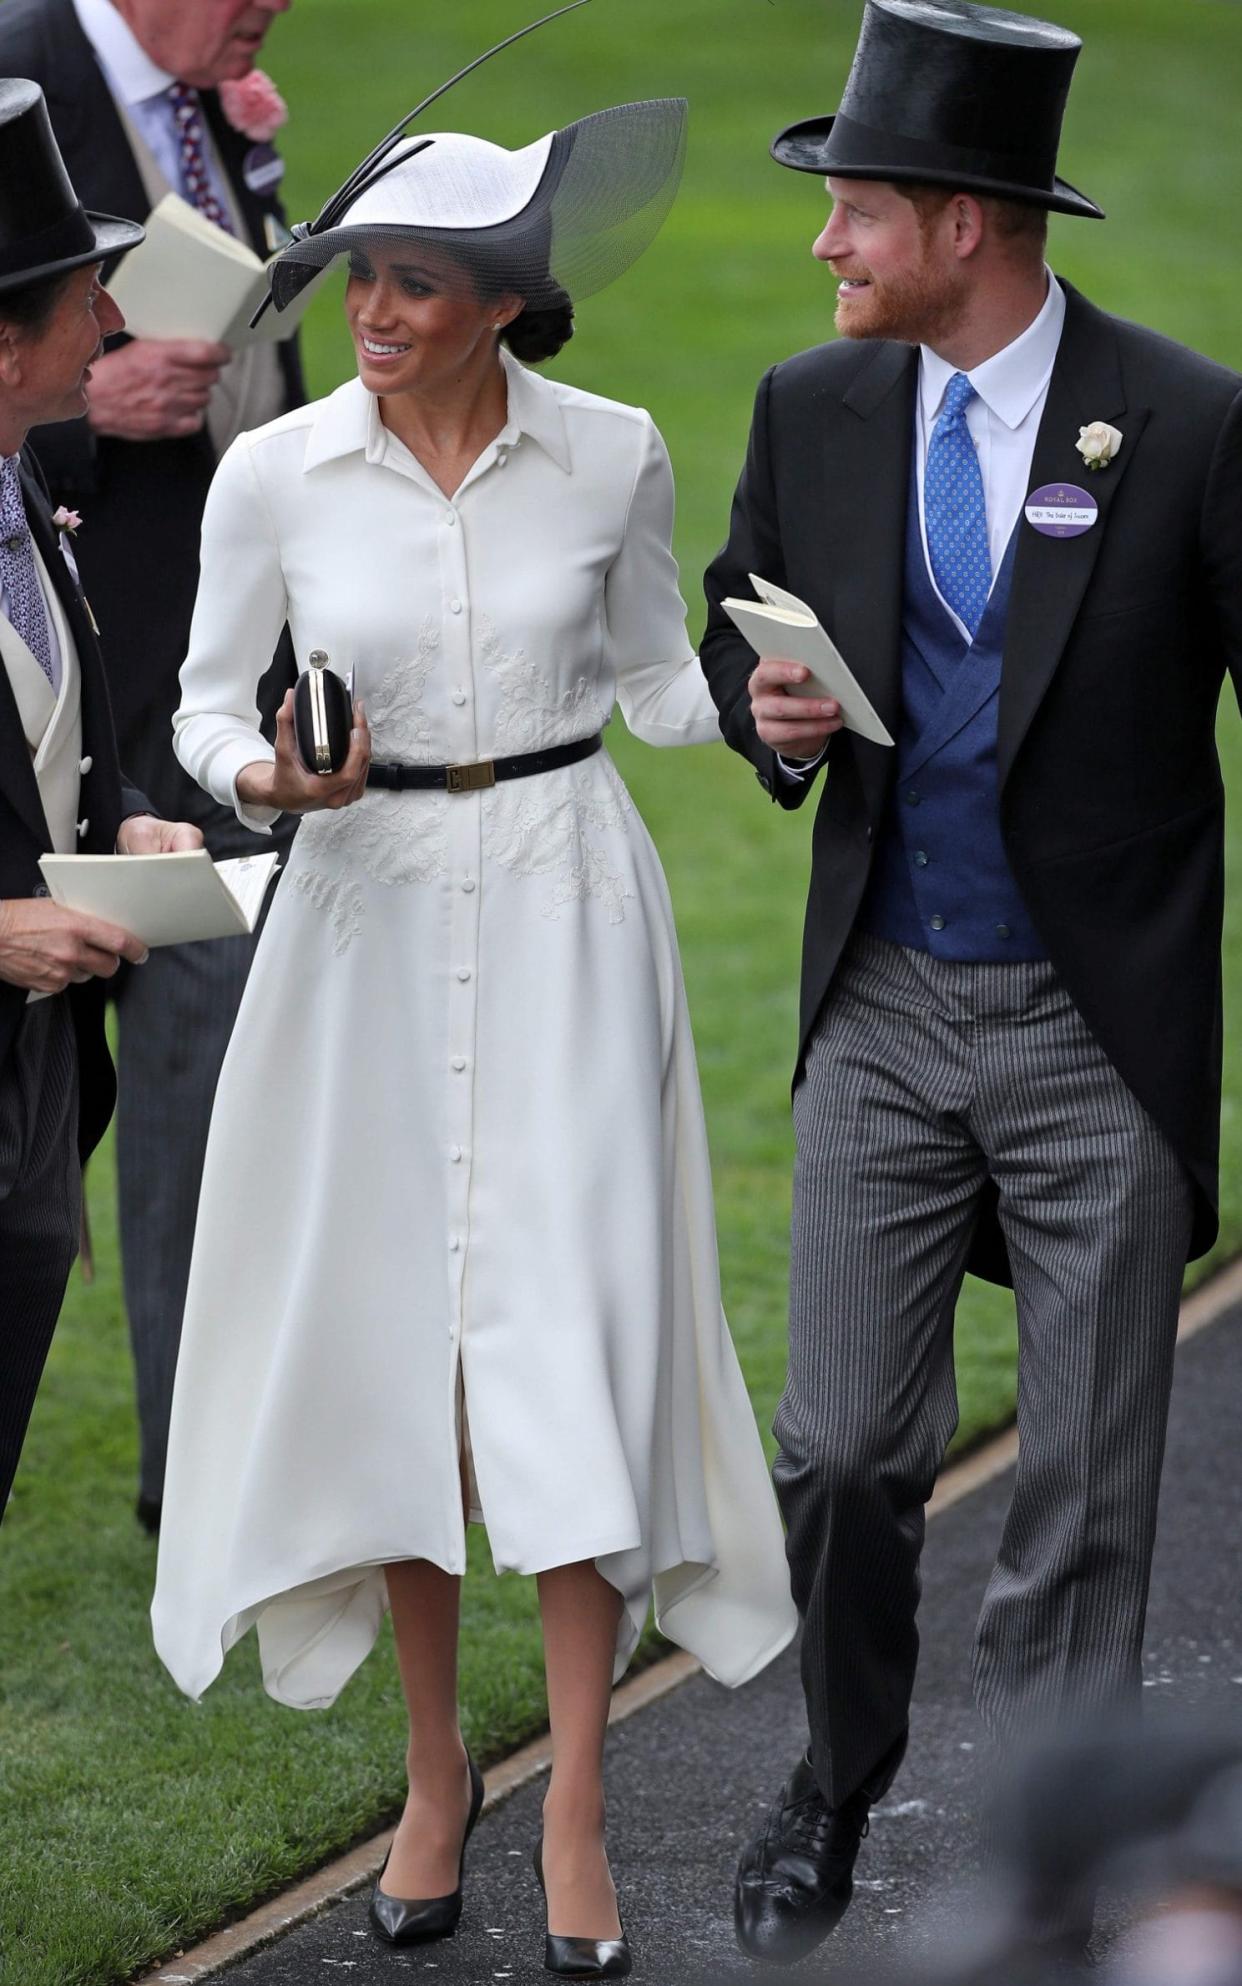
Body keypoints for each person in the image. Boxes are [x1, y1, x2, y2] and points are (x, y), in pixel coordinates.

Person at [151, 99, 797, 1976]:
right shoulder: (271, 469)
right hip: (357, 919)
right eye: (363, 276)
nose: (373, 310)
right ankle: (439, 1776)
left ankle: (578, 1793)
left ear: (507, 304)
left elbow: (658, 682)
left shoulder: (614, 455)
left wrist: (772, 707)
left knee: (570, 1331)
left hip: (567, 914)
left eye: (417, 285)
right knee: (399, 1356)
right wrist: (267, 772)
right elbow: (199, 712)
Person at [699, 0, 1242, 1965]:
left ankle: (1063, 1859)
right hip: (887, 1008)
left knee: (1089, 1499)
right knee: (839, 1448)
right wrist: (761, 713)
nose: (826, 248)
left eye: (854, 213)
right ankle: (834, 1779)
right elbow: (739, 623)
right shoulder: (810, 410)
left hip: (1103, 1030)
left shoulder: (1184, 420)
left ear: (966, 224)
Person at [0, 0, 303, 1534]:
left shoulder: (225, 110)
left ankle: (204, 1482)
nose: (271, 11)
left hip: (180, 719)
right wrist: (83, 422)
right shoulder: (15, 59)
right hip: (42, 742)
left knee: (213, 1107)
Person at [0, 78, 202, 1519]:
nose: (113, 326)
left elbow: (53, 730)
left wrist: (120, 818)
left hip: (36, 1090)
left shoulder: (27, 483)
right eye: (87, 300)